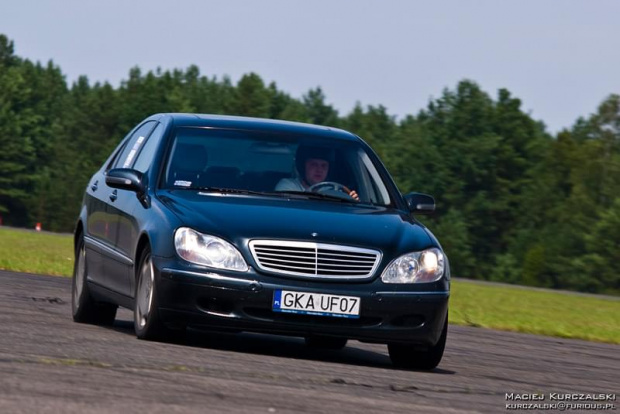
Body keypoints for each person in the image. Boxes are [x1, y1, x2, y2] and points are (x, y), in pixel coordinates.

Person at [275, 146, 359, 200]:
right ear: (302, 167)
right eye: (314, 165)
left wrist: (351, 200)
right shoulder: (287, 186)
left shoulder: (335, 191)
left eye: (324, 166)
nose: (319, 170)